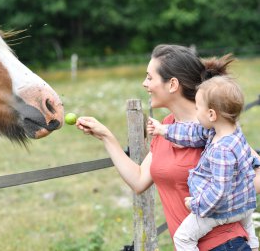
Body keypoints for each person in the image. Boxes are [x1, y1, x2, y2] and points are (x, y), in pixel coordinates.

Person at [75, 44, 260, 250]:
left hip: (225, 244)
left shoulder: (212, 127)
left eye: (150, 77)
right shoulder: (167, 127)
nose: (144, 83)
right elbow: (138, 180)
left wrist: (221, 192)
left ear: (172, 84)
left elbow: (257, 174)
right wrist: (106, 136)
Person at [147, 75, 258, 250]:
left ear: (212, 114)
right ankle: (253, 242)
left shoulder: (222, 150)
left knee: (183, 238)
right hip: (244, 205)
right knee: (244, 214)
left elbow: (219, 192)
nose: (196, 113)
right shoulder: (230, 133)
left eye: (198, 108)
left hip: (221, 209)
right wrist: (163, 129)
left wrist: (197, 205)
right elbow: (192, 133)